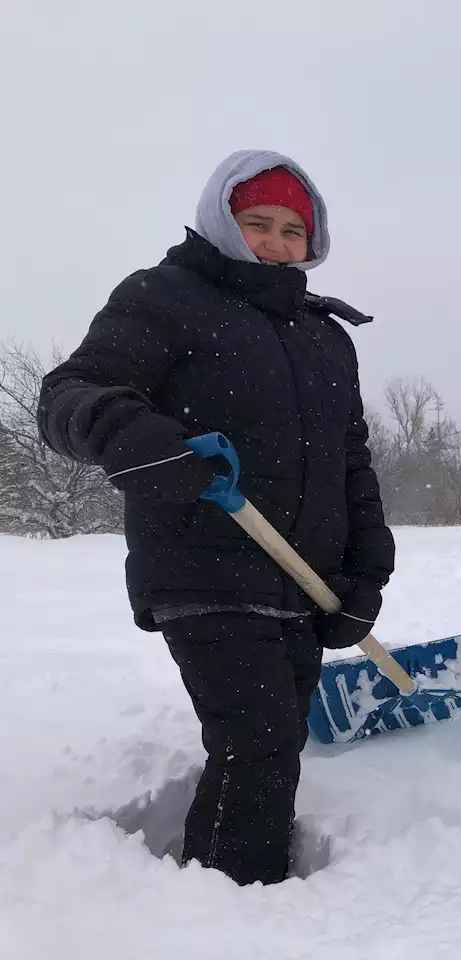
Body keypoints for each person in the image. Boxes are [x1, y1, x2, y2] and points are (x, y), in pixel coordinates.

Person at [38, 150, 394, 885]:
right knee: (257, 740)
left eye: (293, 230)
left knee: (276, 739)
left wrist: (365, 571)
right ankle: (237, 899)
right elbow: (70, 394)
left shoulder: (327, 338)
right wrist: (141, 441)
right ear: (220, 223)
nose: (276, 241)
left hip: (303, 582)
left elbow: (350, 460)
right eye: (256, 222)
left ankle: (221, 888)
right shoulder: (164, 298)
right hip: (205, 564)